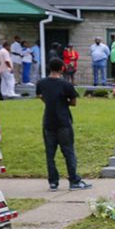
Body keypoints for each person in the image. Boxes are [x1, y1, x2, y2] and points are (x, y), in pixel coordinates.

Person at [35, 57, 91, 191]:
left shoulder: (41, 83)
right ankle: (74, 181)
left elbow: (40, 96)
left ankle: (53, 182)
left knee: (50, 154)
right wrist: (63, 102)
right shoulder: (65, 84)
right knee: (68, 152)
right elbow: (74, 102)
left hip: (48, 121)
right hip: (63, 121)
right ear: (62, 68)